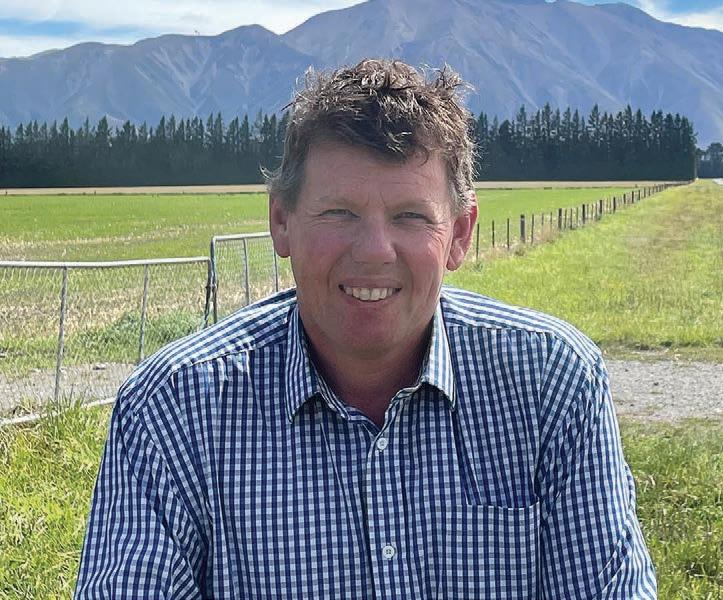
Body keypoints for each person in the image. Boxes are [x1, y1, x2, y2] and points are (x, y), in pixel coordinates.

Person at [75, 59, 656, 598]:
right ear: (281, 221)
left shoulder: (552, 384)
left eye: (411, 217)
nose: (375, 251)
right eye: (339, 213)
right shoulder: (174, 411)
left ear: (459, 234)